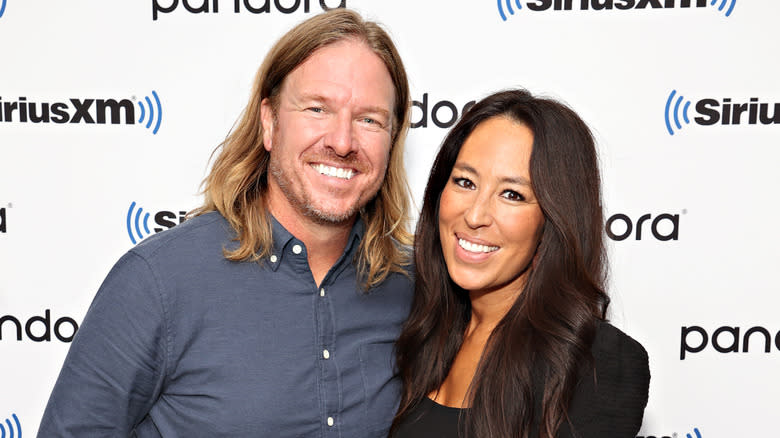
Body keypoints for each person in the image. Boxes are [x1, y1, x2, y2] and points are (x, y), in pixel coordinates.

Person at [38, 9, 414, 437]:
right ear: (269, 122)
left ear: (392, 138)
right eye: (317, 108)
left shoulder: (414, 287)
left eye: (369, 119)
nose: (343, 142)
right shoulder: (159, 282)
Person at [390, 89, 650, 438]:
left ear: (553, 221)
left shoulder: (597, 363)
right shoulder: (420, 331)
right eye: (465, 182)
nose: (476, 214)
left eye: (512, 194)